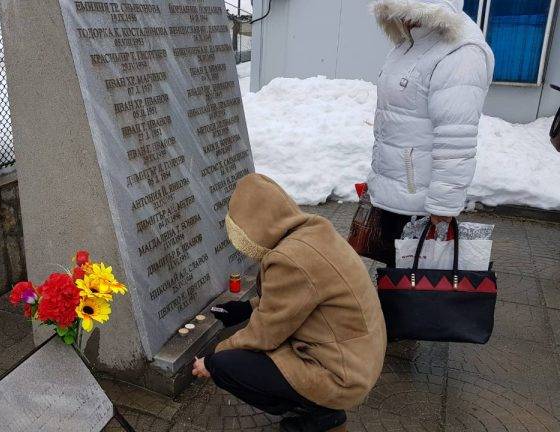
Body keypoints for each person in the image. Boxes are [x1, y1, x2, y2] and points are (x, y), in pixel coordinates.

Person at [192, 174, 386, 432]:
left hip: (342, 374)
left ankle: (319, 415)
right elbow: (297, 298)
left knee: (227, 365)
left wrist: (212, 357)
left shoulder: (290, 259)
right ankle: (317, 409)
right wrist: (246, 308)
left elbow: (264, 335)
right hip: (358, 354)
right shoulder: (313, 231)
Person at [367, 0, 494, 266]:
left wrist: (443, 209)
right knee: (395, 282)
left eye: (406, 11)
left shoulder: (459, 52)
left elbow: (456, 138)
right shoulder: (410, 44)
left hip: (422, 206)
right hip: (396, 194)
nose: (401, 20)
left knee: (417, 290)